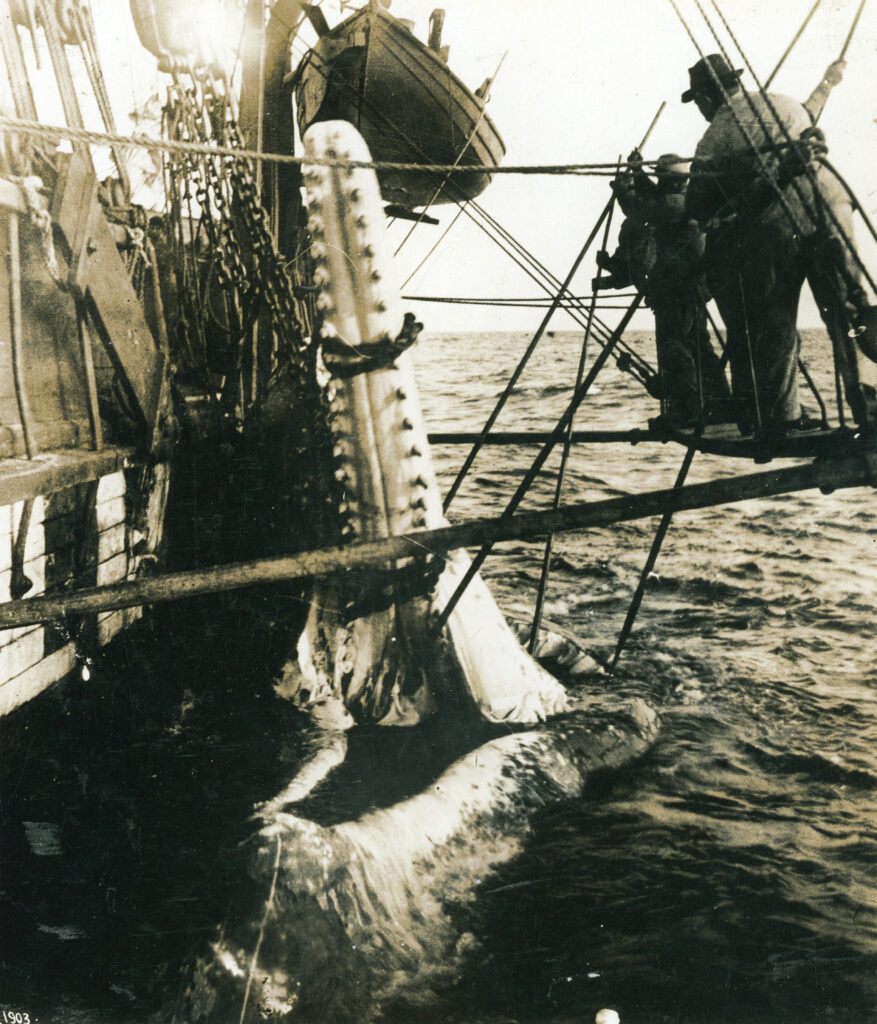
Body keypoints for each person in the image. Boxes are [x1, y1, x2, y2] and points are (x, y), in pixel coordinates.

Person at [683, 53, 877, 435]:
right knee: (850, 310)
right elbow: (812, 107)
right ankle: (872, 411)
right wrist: (829, 80)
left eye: (699, 103)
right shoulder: (786, 103)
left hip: (776, 220)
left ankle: (780, 419)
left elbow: (696, 206)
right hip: (830, 203)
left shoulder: (715, 133)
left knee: (772, 318)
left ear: (706, 98)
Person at [598, 151, 730, 426]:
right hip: (692, 289)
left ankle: (686, 413)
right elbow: (653, 195)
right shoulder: (685, 199)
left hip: (676, 289)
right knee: (698, 346)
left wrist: (623, 189)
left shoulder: (673, 205)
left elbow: (640, 209)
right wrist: (637, 171)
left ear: (670, 180)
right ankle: (721, 406)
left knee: (675, 349)